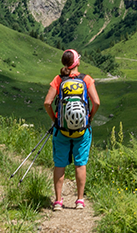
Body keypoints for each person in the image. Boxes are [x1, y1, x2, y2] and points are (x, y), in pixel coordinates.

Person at [44, 49, 100, 211]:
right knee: (80, 164)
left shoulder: (59, 79)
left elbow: (47, 103)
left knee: (60, 164)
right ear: (76, 62)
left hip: (61, 129)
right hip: (83, 130)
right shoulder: (86, 79)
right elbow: (96, 102)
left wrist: (55, 119)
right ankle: (80, 200)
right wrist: (89, 117)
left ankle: (58, 201)